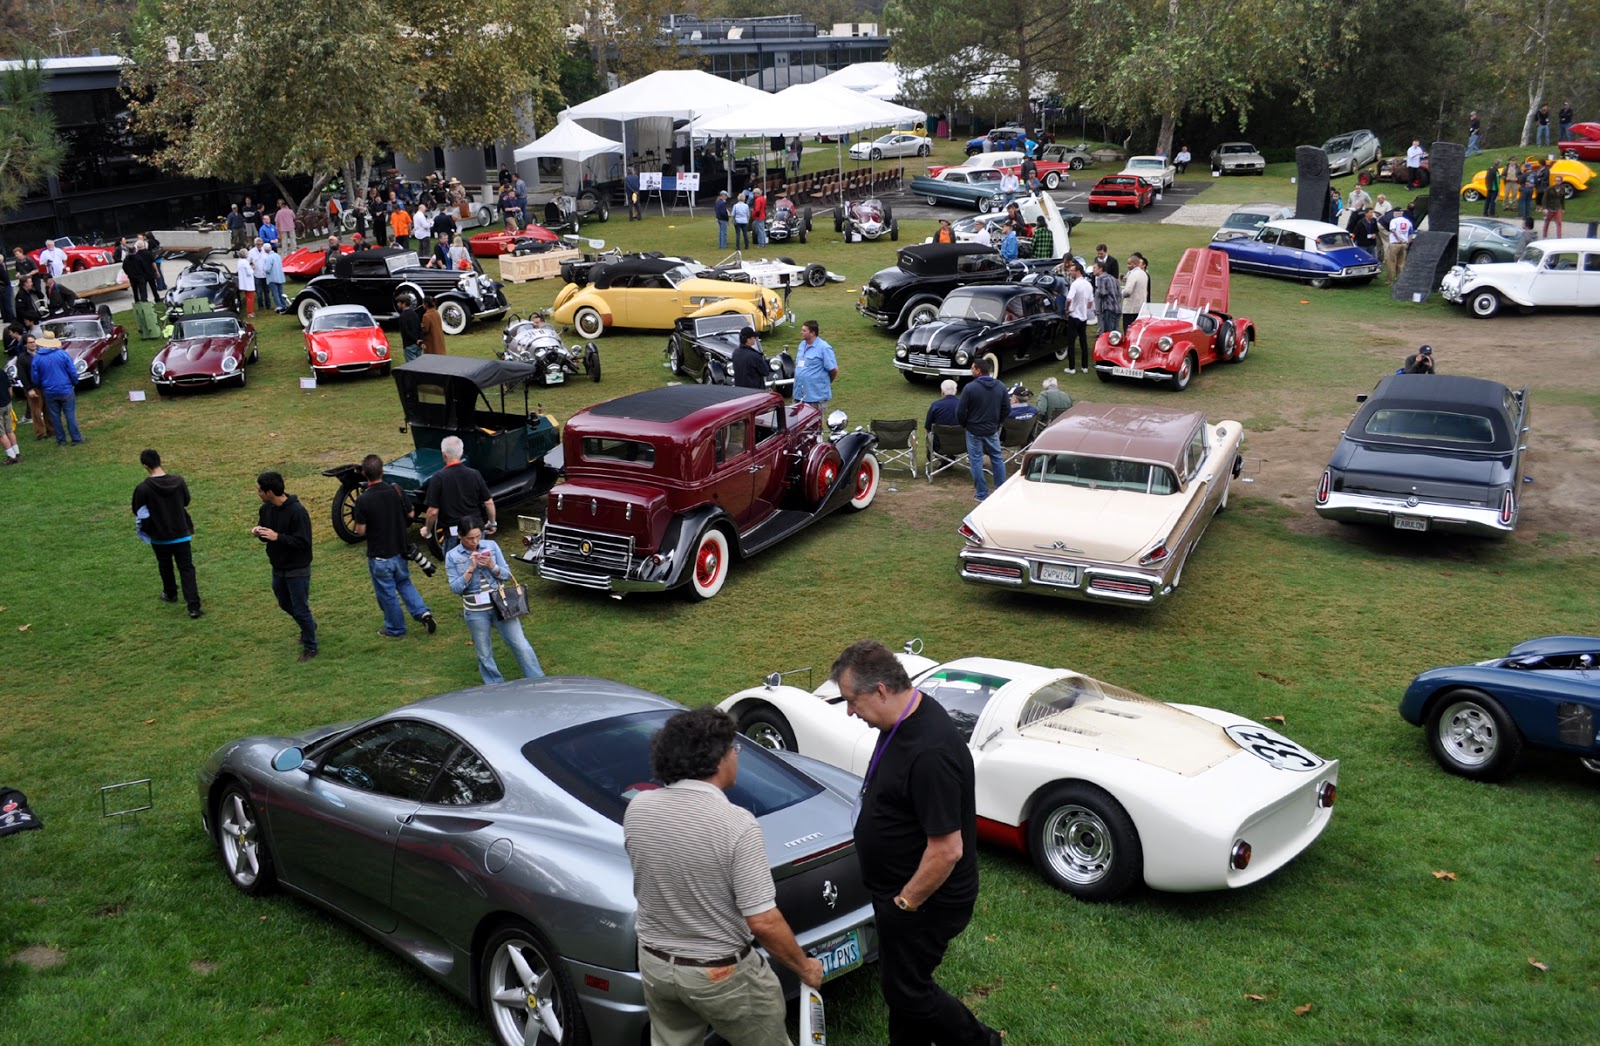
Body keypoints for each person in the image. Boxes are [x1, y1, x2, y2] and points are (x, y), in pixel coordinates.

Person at [830, 640, 1000, 1046]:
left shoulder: (930, 752)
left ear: (881, 691)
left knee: (907, 990)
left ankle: (982, 1042)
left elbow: (947, 849)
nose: (850, 712)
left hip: (925, 900)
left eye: (852, 701)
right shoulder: (902, 720)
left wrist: (904, 904)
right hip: (900, 893)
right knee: (900, 986)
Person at [624, 706, 824, 1045]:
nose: (737, 755)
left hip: (657, 965)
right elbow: (763, 921)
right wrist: (805, 967)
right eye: (735, 748)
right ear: (717, 759)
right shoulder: (736, 823)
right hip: (720, 972)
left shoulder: (639, 808)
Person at [445, 518, 541, 684]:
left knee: (520, 644)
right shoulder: (452, 556)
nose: (475, 541)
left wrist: (491, 565)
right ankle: (494, 686)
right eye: (470, 538)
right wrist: (470, 569)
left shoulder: (492, 546)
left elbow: (506, 575)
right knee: (484, 653)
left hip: (501, 605)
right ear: (460, 536)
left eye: (478, 536)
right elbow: (455, 588)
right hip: (475, 611)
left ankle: (538, 681)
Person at [352, 454, 435, 639]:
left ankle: (396, 629)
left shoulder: (363, 500)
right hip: (400, 550)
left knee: (387, 594)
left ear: (364, 474)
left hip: (380, 555)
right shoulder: (396, 490)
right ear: (382, 471)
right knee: (404, 583)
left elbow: (360, 530)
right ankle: (423, 612)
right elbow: (411, 514)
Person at [252, 471, 317, 662]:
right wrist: (259, 532)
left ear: (270, 492)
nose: (257, 492)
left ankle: (310, 646)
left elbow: (304, 542)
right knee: (285, 603)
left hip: (297, 569)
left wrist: (278, 537)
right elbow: (267, 535)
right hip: (278, 567)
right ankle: (309, 626)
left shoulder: (298, 512)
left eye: (260, 490)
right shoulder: (266, 509)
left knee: (300, 609)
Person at [132, 449, 203, 618]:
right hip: (181, 533)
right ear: (160, 461)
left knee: (165, 565)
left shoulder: (143, 489)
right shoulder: (178, 482)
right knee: (186, 568)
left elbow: (137, 509)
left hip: (159, 535)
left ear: (145, 466)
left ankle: (170, 593)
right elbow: (186, 501)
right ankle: (193, 606)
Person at [422, 434, 495, 555]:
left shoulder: (438, 478)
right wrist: (492, 523)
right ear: (461, 452)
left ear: (443, 454)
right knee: (479, 562)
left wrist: (428, 530)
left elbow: (433, 511)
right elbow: (489, 502)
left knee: (455, 565)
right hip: (476, 530)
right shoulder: (474, 474)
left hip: (454, 533)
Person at [956, 357, 1007, 502]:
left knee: (976, 461)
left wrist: (965, 424)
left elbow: (960, 411)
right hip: (991, 429)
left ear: (978, 371)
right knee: (997, 458)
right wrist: (997, 422)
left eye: (972, 368)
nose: (971, 370)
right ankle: (1001, 491)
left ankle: (982, 494)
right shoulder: (1000, 386)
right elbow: (1006, 408)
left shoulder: (970, 388)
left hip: (974, 430)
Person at [31, 333, 83, 445]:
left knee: (55, 416)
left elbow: (35, 378)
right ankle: (76, 438)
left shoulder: (37, 358)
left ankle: (61, 440)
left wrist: (42, 386)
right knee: (70, 415)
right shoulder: (62, 354)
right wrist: (74, 382)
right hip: (65, 389)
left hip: (49, 391)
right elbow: (72, 371)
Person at [793, 320, 837, 415]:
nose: (801, 332)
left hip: (815, 399)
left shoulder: (824, 348)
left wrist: (824, 384)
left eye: (804, 331)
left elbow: (833, 370)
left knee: (813, 424)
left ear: (812, 333)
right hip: (799, 396)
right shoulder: (802, 345)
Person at [14, 332, 52, 441]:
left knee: (48, 409)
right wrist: (29, 389)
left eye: (34, 342)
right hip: (33, 387)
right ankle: (40, 433)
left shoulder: (41, 354)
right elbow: (22, 375)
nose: (32, 344)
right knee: (36, 412)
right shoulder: (22, 358)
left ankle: (51, 429)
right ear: (25, 345)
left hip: (44, 385)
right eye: (30, 342)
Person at [1063, 261, 1093, 374]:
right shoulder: (1088, 285)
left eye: (1072, 271)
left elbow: (1069, 299)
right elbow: (1091, 301)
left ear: (1078, 271)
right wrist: (1086, 309)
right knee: (1083, 341)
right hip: (1083, 317)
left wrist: (1067, 309)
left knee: (1071, 342)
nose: (1070, 273)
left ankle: (1072, 367)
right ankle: (1085, 366)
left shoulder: (1075, 284)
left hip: (1074, 315)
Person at [924, 379, 960, 454]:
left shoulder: (936, 405)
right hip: (961, 444)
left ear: (942, 391)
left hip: (939, 445)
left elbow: (928, 427)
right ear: (955, 391)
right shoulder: (964, 405)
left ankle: (939, 458)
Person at [1121, 253, 1150, 331]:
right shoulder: (1144, 274)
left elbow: (1127, 292)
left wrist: (1120, 292)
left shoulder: (1133, 275)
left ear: (1134, 264)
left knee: (1128, 330)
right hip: (1140, 307)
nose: (1127, 266)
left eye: (1129, 264)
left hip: (1130, 308)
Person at [1093, 259, 1121, 337]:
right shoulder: (1113, 278)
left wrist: (1097, 292)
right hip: (1117, 308)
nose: (1093, 270)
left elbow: (1102, 293)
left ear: (1100, 269)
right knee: (1116, 334)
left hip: (1108, 309)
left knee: (1108, 334)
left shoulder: (1101, 278)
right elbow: (1119, 293)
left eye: (1094, 268)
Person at [1386, 208, 1414, 285]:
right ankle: (1400, 279)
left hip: (1395, 243)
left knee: (1391, 262)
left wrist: (1398, 238)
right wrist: (1407, 242)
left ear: (1396, 213)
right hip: (1404, 244)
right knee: (1401, 263)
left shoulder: (1394, 221)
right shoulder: (1408, 222)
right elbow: (1411, 233)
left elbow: (1393, 230)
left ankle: (1390, 281)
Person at [397, 296, 424, 362]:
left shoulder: (403, 316)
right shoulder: (414, 314)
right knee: (419, 363)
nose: (397, 304)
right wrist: (419, 340)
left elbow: (405, 331)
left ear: (404, 304)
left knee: (411, 365)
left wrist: (415, 340)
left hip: (409, 344)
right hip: (418, 344)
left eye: (399, 303)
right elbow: (419, 328)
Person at [235, 253, 257, 318]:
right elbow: (249, 272)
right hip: (248, 283)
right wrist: (252, 268)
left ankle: (250, 311)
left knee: (248, 298)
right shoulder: (245, 262)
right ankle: (249, 312)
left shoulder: (240, 261)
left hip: (244, 282)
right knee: (250, 298)